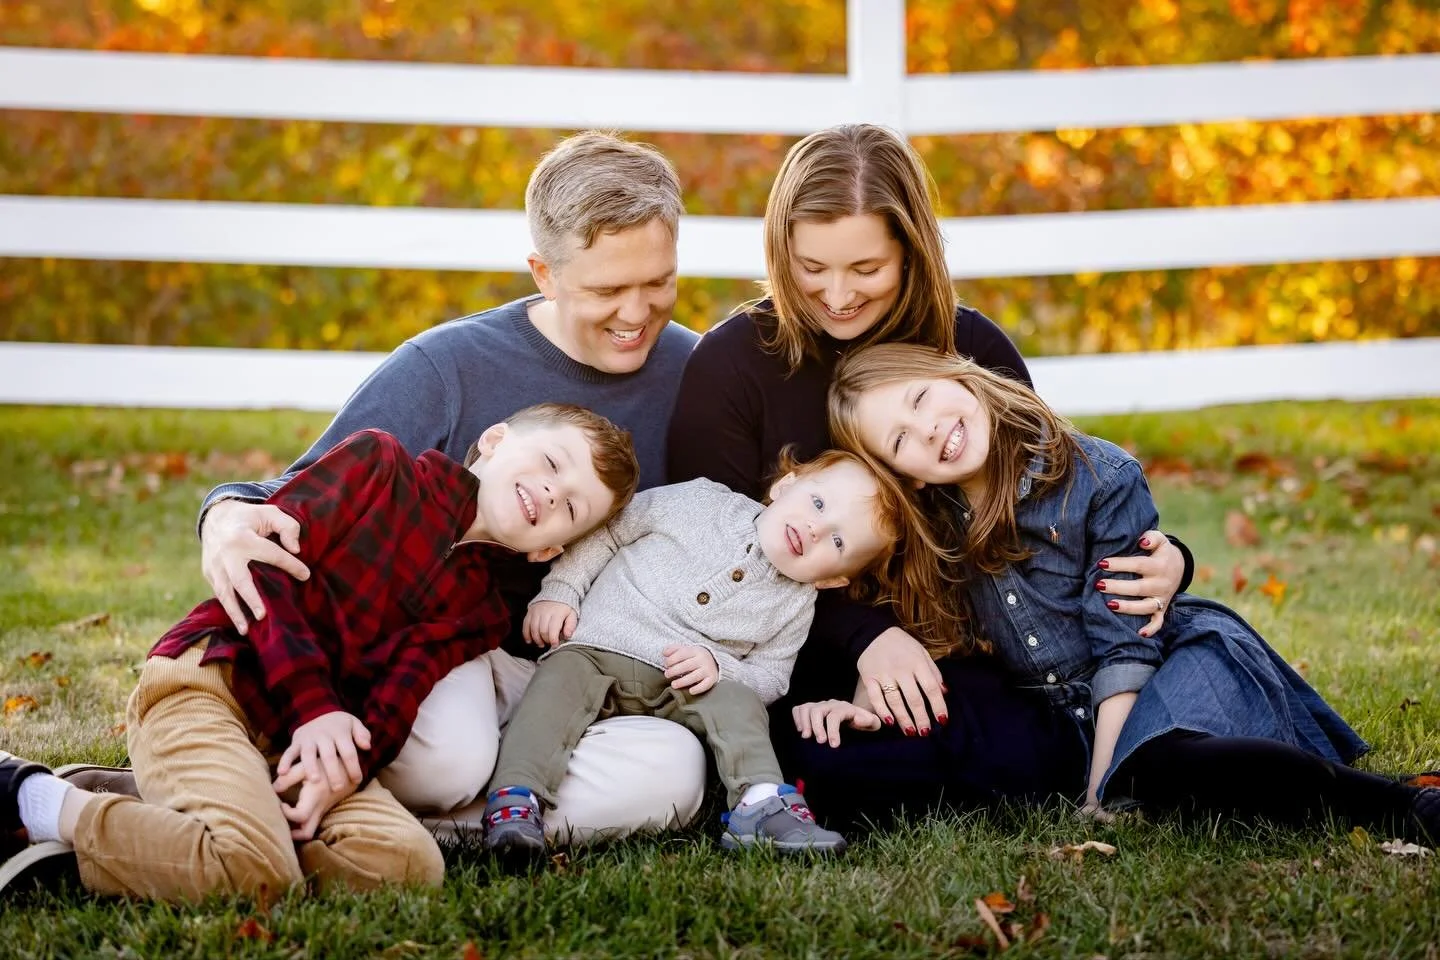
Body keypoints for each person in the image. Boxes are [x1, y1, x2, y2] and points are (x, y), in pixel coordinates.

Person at [182, 132, 708, 835]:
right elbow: (298, 492)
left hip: (597, 675)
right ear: (545, 274)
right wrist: (221, 512)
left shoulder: (699, 375)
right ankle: (467, 804)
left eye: (659, 282)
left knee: (675, 773)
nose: (637, 313)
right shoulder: (449, 366)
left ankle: (428, 827)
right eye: (609, 290)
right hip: (453, 653)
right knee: (446, 764)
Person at [666, 123, 1191, 823]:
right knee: (831, 763)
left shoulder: (968, 346)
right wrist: (863, 638)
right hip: (778, 656)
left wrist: (1167, 559)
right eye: (811, 267)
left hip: (964, 654)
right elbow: (704, 549)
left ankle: (1115, 757)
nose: (837, 295)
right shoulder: (733, 365)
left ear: (911, 251)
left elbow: (1054, 503)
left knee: (1012, 743)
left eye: (866, 269)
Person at [0, 403, 640, 899]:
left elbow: (395, 702)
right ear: (495, 440)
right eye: (552, 463)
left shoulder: (481, 611)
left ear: (548, 551)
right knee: (259, 873)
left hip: (304, 744)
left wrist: (340, 776)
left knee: (407, 865)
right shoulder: (378, 464)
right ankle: (28, 797)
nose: (552, 492)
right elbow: (264, 576)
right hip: (216, 683)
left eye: (572, 506)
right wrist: (314, 708)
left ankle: (163, 831)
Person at [822, 342, 1440, 841]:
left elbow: (1125, 650)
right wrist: (865, 711)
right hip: (1063, 713)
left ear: (957, 373)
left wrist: (1100, 793)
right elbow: (914, 633)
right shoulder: (934, 530)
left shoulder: (1097, 476)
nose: (928, 430)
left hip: (1168, 660)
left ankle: (1402, 804)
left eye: (921, 398)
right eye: (900, 441)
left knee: (1159, 766)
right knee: (867, 771)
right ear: (903, 476)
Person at [481, 451, 903, 858]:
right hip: (597, 647)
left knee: (738, 702)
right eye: (818, 503)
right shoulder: (699, 500)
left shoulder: (797, 604)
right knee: (554, 688)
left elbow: (772, 677)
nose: (815, 528)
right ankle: (517, 797)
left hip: (680, 688)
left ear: (832, 580)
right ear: (785, 485)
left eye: (837, 540)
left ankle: (761, 803)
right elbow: (610, 531)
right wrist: (561, 591)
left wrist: (721, 667)